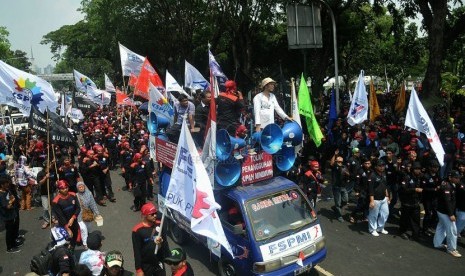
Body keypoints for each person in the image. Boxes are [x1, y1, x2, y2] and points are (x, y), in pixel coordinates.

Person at [132, 202, 169, 276]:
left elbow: (165, 243)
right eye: (152, 214)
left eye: (155, 213)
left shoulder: (160, 224)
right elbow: (137, 251)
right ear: (145, 215)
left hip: (158, 261)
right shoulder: (137, 230)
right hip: (146, 264)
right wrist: (138, 269)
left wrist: (169, 258)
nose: (155, 215)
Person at [433, 170, 461, 257]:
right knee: (452, 230)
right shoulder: (447, 186)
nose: (457, 179)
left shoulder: (449, 184)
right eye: (456, 178)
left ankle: (437, 243)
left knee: (441, 227)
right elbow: (447, 201)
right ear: (450, 177)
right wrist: (451, 214)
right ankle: (451, 249)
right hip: (445, 212)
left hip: (442, 211)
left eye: (458, 178)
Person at [397, 162, 424, 241]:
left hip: (416, 202)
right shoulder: (407, 177)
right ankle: (402, 232)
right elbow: (403, 189)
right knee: (405, 219)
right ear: (413, 169)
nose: (417, 171)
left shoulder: (420, 178)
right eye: (416, 169)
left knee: (416, 219)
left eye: (419, 169)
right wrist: (414, 189)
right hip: (407, 202)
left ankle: (416, 235)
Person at [52, 179, 81, 250]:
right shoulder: (56, 201)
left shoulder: (73, 195)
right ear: (59, 189)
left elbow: (78, 208)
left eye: (66, 188)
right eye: (62, 188)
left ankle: (72, 250)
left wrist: (73, 218)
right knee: (65, 242)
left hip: (73, 221)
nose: (65, 189)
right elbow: (60, 216)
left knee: (74, 238)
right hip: (63, 224)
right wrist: (67, 228)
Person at [0, 176, 23, 253]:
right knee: (9, 231)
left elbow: (12, 197)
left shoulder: (7, 191)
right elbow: (7, 206)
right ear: (2, 185)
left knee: (13, 229)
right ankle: (9, 248)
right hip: (6, 215)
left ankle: (13, 243)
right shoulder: (1, 194)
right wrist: (11, 201)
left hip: (12, 214)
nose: (7, 184)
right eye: (6, 183)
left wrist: (12, 199)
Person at [367, 159, 390, 237]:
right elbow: (370, 189)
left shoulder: (384, 174)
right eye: (380, 166)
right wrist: (371, 201)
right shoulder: (372, 175)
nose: (382, 167)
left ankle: (380, 228)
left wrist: (387, 196)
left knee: (385, 213)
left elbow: (385, 186)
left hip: (383, 198)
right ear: (376, 166)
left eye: (383, 166)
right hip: (375, 199)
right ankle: (372, 229)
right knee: (373, 215)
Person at [76, 181, 101, 248]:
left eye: (82, 186)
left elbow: (93, 204)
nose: (81, 188)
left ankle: (89, 239)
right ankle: (85, 243)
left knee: (88, 228)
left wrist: (97, 213)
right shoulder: (76, 196)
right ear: (77, 188)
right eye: (79, 187)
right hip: (80, 215)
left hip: (88, 214)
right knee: (83, 229)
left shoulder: (89, 193)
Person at [330, 151, 350, 222]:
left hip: (343, 187)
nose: (339, 163)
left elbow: (348, 174)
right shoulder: (335, 166)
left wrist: (347, 175)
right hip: (336, 187)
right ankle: (339, 215)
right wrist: (334, 155)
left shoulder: (344, 167)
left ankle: (335, 208)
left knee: (345, 200)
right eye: (338, 161)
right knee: (338, 202)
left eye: (340, 161)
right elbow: (331, 163)